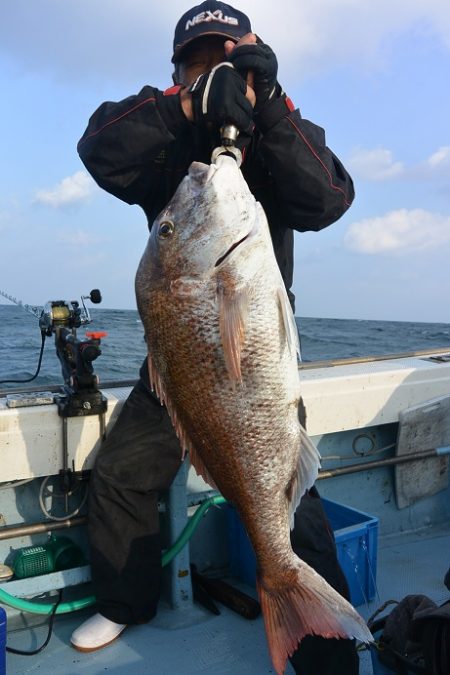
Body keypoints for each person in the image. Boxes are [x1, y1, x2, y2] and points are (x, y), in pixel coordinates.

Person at [72, 2, 359, 673]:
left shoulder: (275, 133)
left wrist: (275, 105)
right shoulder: (167, 136)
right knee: (120, 475)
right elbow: (97, 148)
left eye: (227, 58)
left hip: (254, 373)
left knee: (299, 515)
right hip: (177, 364)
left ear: (251, 63)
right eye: (198, 60)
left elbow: (329, 196)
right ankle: (125, 601)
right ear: (177, 72)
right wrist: (185, 110)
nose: (213, 70)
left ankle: (320, 643)